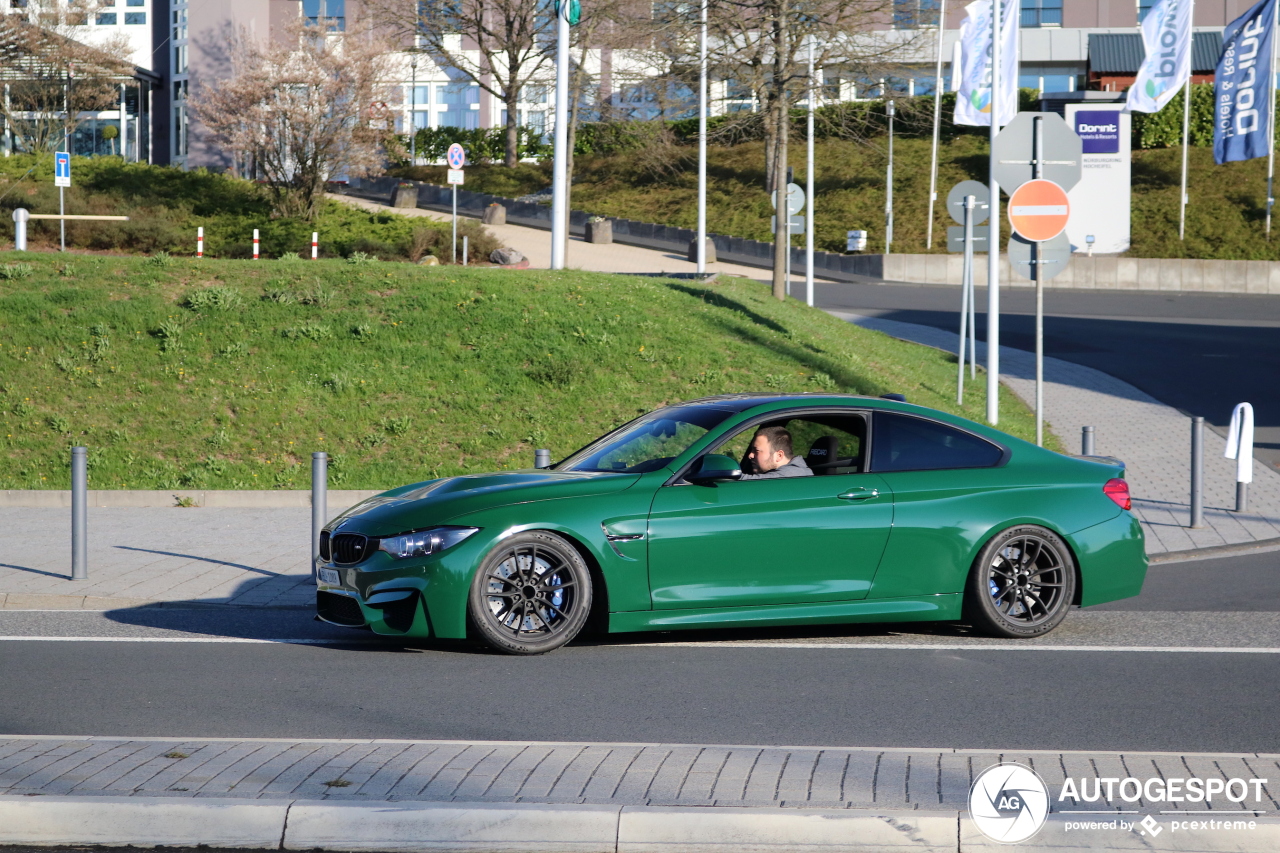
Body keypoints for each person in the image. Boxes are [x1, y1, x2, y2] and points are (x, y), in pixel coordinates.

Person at [739, 426, 812, 479]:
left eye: (756, 450)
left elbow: (746, 482)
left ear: (779, 456)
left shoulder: (793, 475)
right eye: (752, 450)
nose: (750, 455)